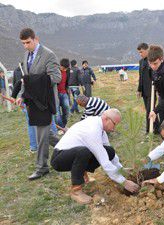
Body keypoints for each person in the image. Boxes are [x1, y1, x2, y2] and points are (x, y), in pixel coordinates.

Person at [51, 109, 140, 204]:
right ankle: (76, 191)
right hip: (59, 158)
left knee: (109, 151)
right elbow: (104, 160)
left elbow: (109, 153)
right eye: (114, 124)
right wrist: (124, 182)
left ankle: (82, 173)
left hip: (73, 154)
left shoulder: (101, 129)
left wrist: (121, 170)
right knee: (83, 152)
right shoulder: (93, 129)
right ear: (106, 119)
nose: (114, 128)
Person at [16, 28, 61, 180]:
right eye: (23, 43)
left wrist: (32, 81)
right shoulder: (26, 55)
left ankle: (42, 168)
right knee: (45, 134)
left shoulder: (49, 54)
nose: (25, 46)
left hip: (45, 103)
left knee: (41, 135)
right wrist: (22, 95)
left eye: (28, 42)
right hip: (32, 103)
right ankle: (70, 145)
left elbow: (56, 77)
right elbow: (26, 79)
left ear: (36, 39)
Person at [137, 43, 159, 133]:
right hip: (144, 91)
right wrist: (139, 89)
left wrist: (158, 89)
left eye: (141, 52)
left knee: (149, 111)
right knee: (149, 110)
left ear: (147, 50)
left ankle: (148, 131)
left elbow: (156, 75)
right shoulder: (141, 62)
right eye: (139, 52)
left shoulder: (152, 60)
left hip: (152, 90)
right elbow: (140, 76)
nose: (140, 54)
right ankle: (157, 128)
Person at [56, 58, 71, 128]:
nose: (65, 69)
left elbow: (67, 83)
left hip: (64, 93)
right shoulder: (55, 71)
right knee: (57, 112)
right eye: (64, 68)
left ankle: (63, 125)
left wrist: (68, 91)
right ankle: (61, 127)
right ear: (60, 65)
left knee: (67, 109)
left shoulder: (67, 71)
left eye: (66, 68)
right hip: (55, 94)